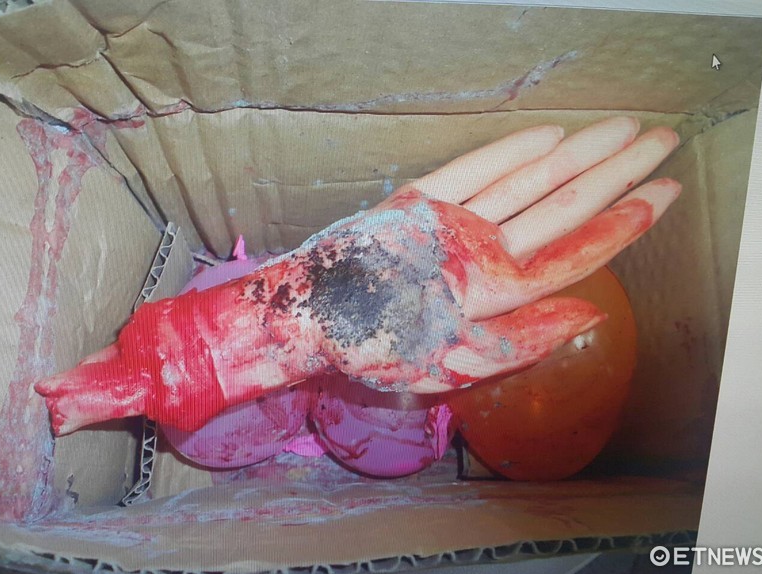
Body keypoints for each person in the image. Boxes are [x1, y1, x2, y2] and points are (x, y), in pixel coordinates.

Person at [36, 116, 681, 435]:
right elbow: (172, 367)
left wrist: (115, 384)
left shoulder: (168, 357)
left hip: (196, 344)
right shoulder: (376, 333)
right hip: (212, 344)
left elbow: (170, 364)